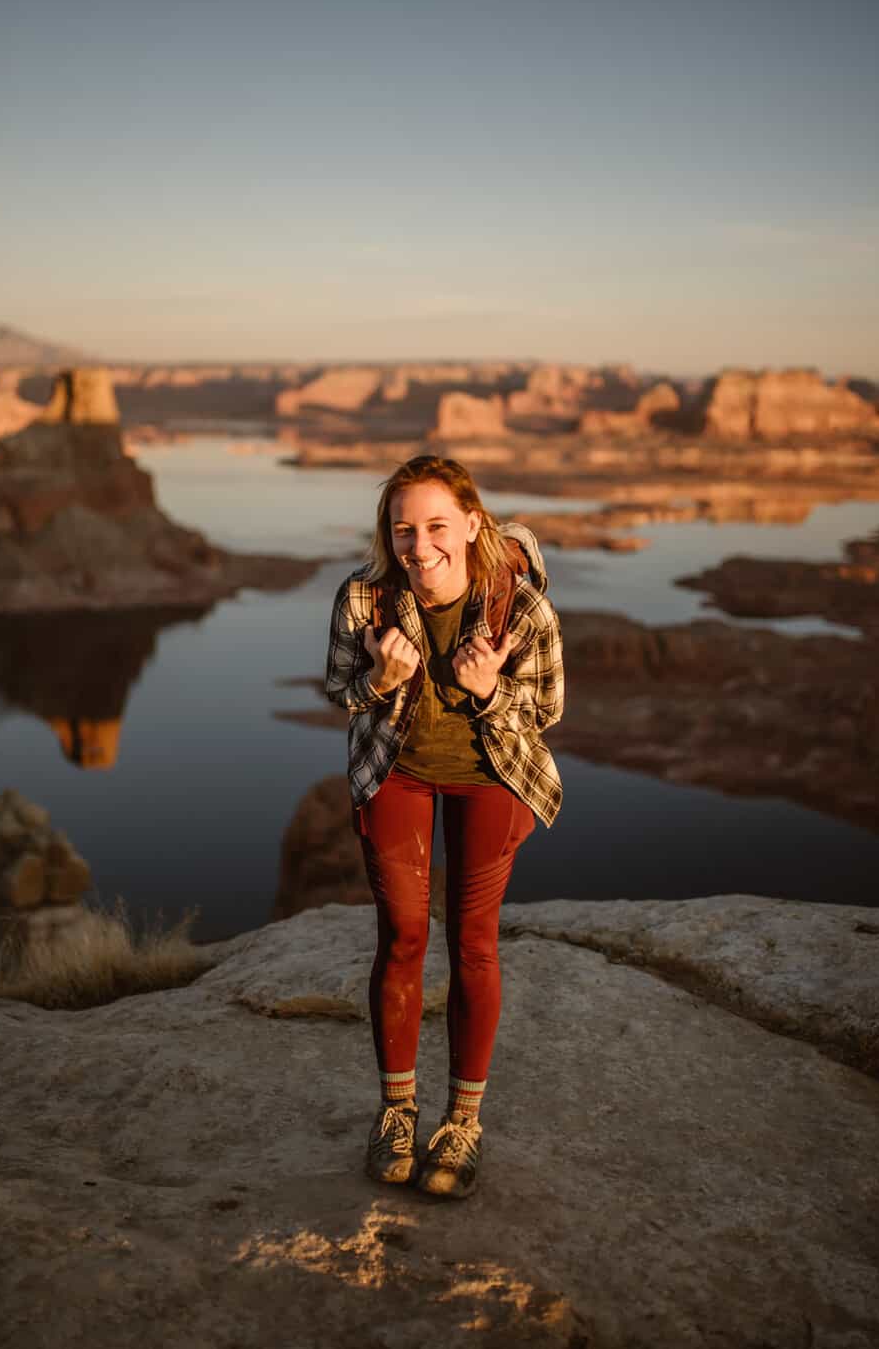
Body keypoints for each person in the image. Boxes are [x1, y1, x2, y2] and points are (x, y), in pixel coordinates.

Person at [324, 454, 564, 1199]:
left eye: (435, 526)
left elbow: (546, 711)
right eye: (403, 530)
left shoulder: (520, 610)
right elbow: (340, 691)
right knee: (401, 937)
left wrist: (488, 692)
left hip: (491, 776)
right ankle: (397, 1112)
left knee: (472, 943)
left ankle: (463, 1123)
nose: (419, 547)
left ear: (471, 525)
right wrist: (381, 680)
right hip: (397, 772)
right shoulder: (363, 599)